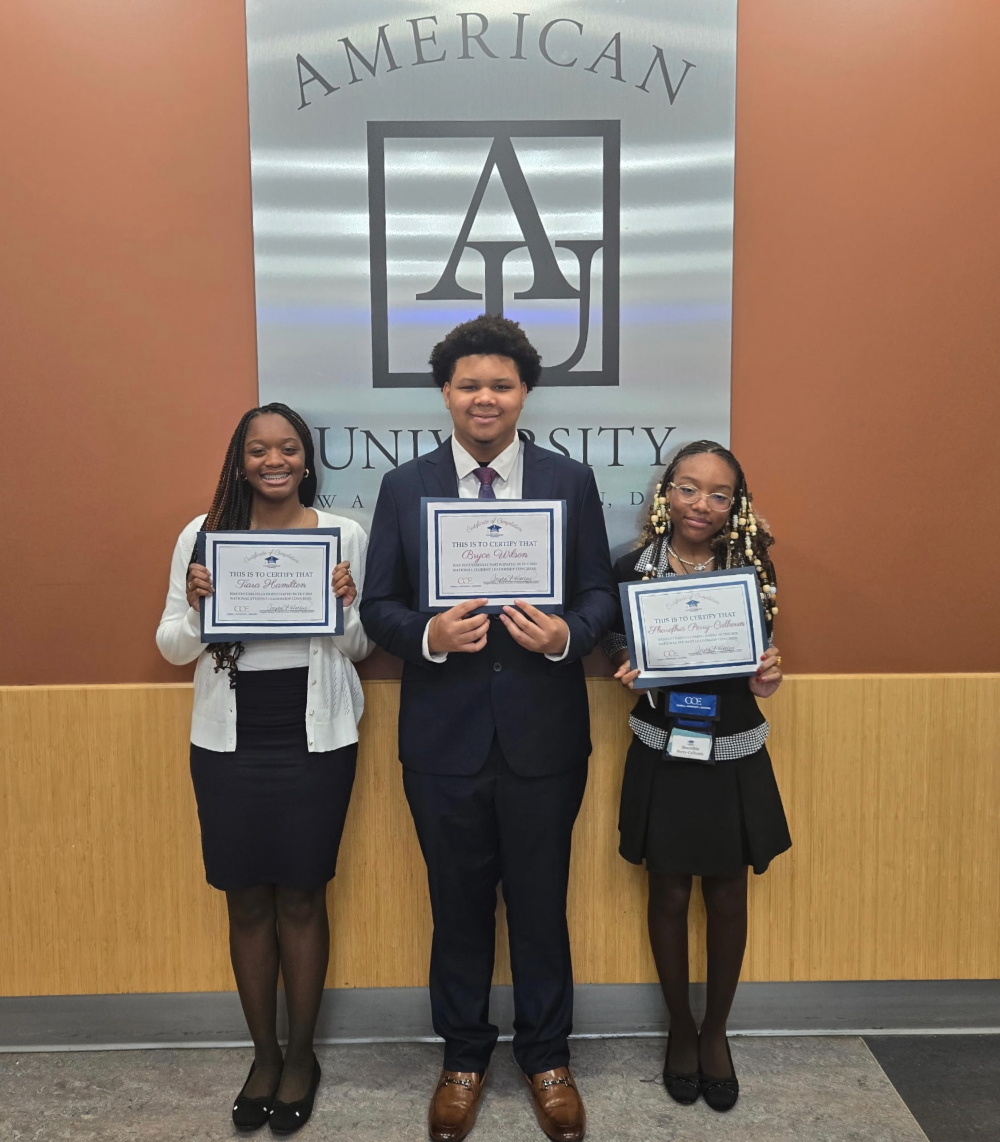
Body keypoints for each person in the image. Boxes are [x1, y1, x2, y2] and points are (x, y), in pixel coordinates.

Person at [360, 314, 617, 1142]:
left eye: (500, 385)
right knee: (457, 907)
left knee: (542, 905)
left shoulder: (568, 481)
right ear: (445, 393)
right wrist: (427, 637)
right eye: (469, 384)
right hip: (443, 740)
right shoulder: (406, 488)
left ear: (524, 394)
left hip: (544, 736)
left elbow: (598, 596)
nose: (484, 397)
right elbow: (378, 607)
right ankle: (463, 1059)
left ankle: (548, 1059)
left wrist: (568, 637)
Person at [156, 402, 372, 1135]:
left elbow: (363, 646)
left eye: (286, 449)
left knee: (303, 899)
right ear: (240, 459)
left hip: (316, 736)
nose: (272, 460)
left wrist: (343, 607)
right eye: (257, 450)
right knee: (245, 900)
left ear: (307, 459)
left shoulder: (344, 534)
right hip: (228, 740)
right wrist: (194, 608)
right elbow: (172, 647)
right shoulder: (203, 533)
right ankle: (264, 1054)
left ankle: (303, 1057)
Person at [603, 439, 790, 1113]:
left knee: (728, 896)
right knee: (670, 895)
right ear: (665, 493)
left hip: (733, 749)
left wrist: (768, 676)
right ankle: (680, 1030)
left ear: (734, 504)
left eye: (718, 494)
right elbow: (618, 654)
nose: (700, 505)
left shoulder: (753, 567)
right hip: (664, 747)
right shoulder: (630, 569)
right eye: (688, 488)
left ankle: (716, 1034)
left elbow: (763, 668)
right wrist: (629, 670)